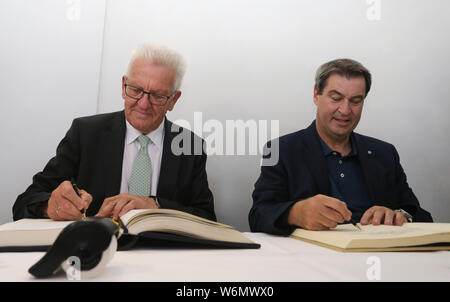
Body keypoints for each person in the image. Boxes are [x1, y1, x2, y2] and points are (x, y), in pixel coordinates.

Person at [13, 43, 216, 222]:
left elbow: (206, 218)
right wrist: (51, 207)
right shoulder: (85, 134)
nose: (144, 104)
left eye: (157, 95)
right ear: (123, 86)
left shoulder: (190, 145)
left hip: (162, 256)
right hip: (94, 253)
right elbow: (25, 202)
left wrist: (156, 206)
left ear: (173, 100)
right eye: (135, 90)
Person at [249, 58, 432, 235]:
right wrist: (296, 213)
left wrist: (401, 216)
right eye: (336, 98)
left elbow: (421, 216)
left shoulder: (384, 153)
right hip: (312, 259)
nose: (345, 110)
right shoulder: (281, 150)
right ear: (316, 95)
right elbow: (258, 216)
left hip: (379, 256)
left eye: (355, 101)